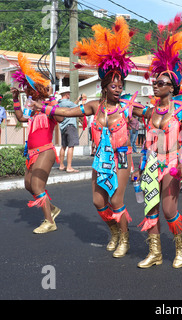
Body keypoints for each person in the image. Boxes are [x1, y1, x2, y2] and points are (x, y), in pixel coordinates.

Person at [33, 17, 139, 257]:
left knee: (115, 201)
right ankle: (114, 231)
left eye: (121, 84)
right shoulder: (93, 106)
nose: (119, 88)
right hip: (101, 159)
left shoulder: (127, 106)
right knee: (98, 202)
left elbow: (153, 113)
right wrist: (46, 108)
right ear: (104, 87)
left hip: (122, 157)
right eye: (114, 85)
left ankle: (125, 238)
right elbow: (68, 111)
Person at [131, 14, 182, 269]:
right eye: (155, 82)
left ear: (172, 87)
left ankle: (181, 247)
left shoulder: (181, 109)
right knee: (150, 209)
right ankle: (155, 252)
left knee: (168, 209)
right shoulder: (149, 110)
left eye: (161, 83)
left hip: (173, 161)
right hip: (151, 161)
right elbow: (129, 108)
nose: (155, 86)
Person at [11, 53, 64, 233]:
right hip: (31, 153)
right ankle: (52, 209)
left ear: (37, 91)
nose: (28, 91)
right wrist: (15, 99)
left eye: (29, 89)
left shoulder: (50, 105)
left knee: (37, 186)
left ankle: (50, 222)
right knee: (28, 185)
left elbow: (61, 117)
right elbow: (20, 118)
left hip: (45, 151)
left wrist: (48, 102)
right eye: (27, 89)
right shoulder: (32, 110)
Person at [58, 90, 85, 172]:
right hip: (70, 126)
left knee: (63, 146)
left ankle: (61, 165)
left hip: (63, 127)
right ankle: (69, 167)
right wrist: (83, 101)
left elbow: (72, 106)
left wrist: (77, 100)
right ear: (66, 94)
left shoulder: (60, 104)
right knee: (71, 146)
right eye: (69, 93)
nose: (69, 95)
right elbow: (78, 108)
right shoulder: (68, 103)